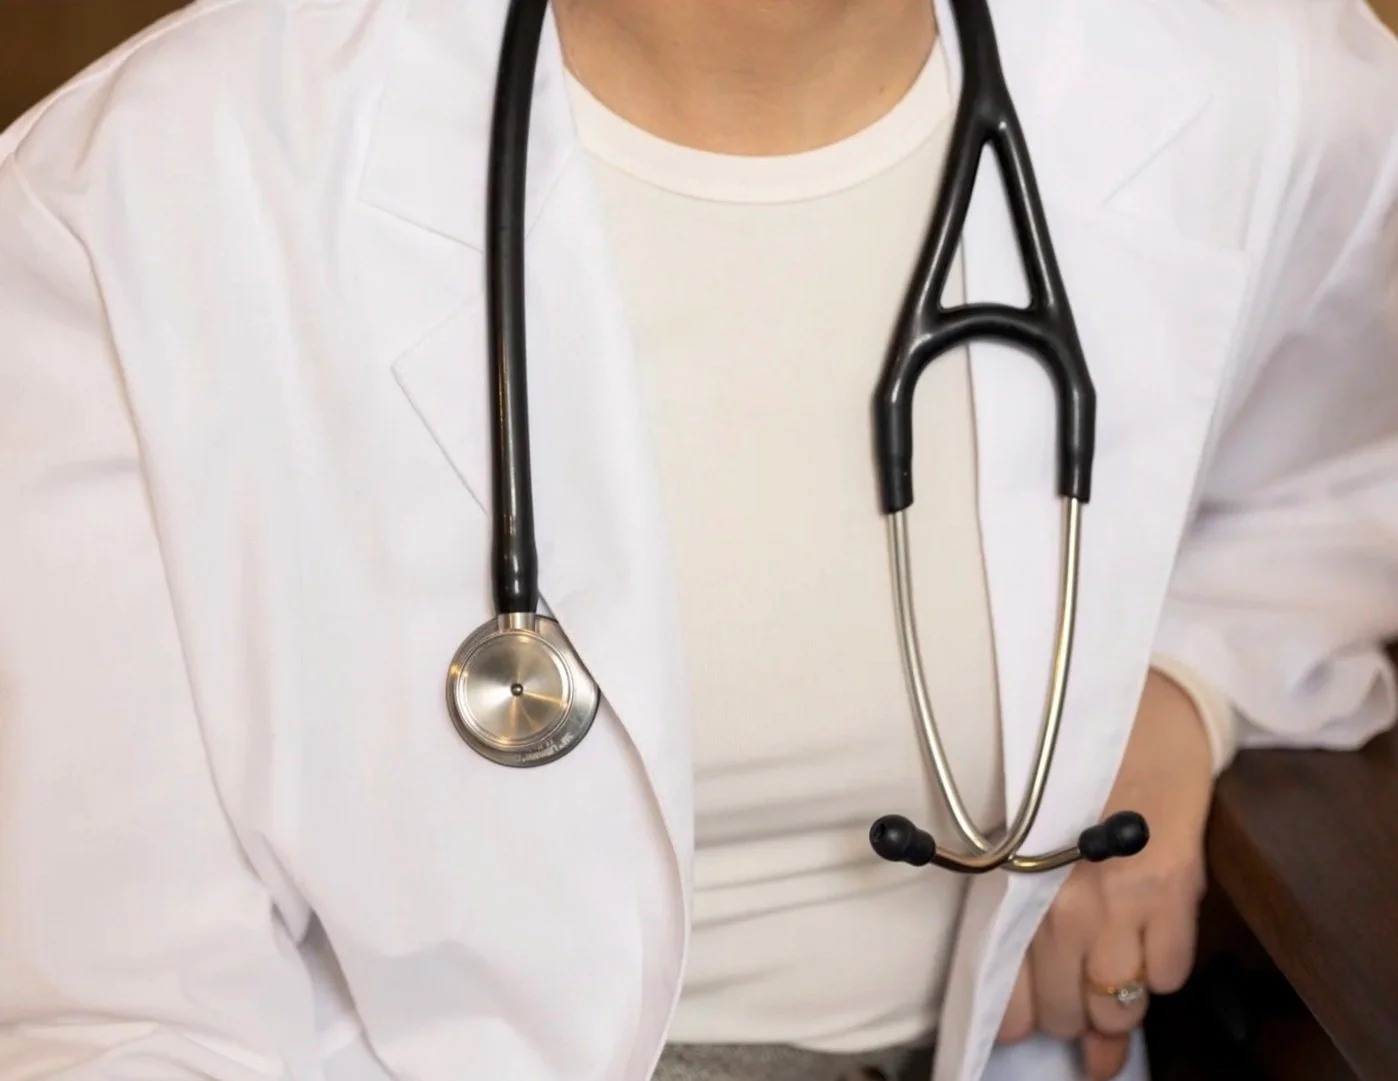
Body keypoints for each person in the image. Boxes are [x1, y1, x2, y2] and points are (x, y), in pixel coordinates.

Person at [1, 0, 1396, 1079]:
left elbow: (1344, 483)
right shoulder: (138, 199)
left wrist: (1182, 682)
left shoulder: (1250, 81)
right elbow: (123, 1011)